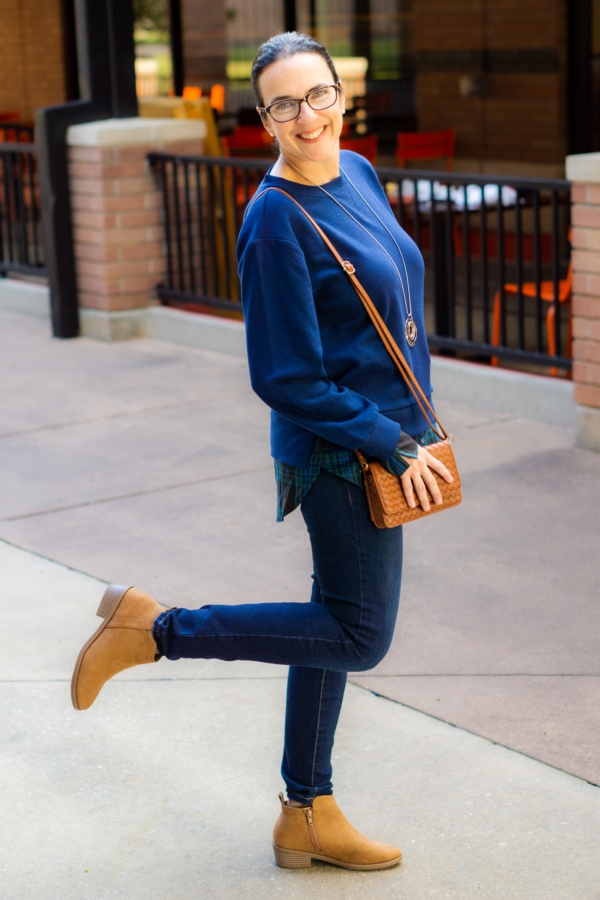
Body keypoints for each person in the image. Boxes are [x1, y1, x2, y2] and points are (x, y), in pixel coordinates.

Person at [71, 31, 453, 872]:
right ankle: (157, 631)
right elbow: (285, 377)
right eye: (285, 103)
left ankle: (305, 811)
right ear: (263, 119)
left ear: (340, 97)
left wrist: (416, 426)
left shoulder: (357, 172)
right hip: (340, 456)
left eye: (317, 95)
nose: (307, 116)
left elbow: (388, 310)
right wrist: (390, 439)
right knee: (358, 635)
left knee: (326, 625)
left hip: (388, 440)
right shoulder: (274, 223)